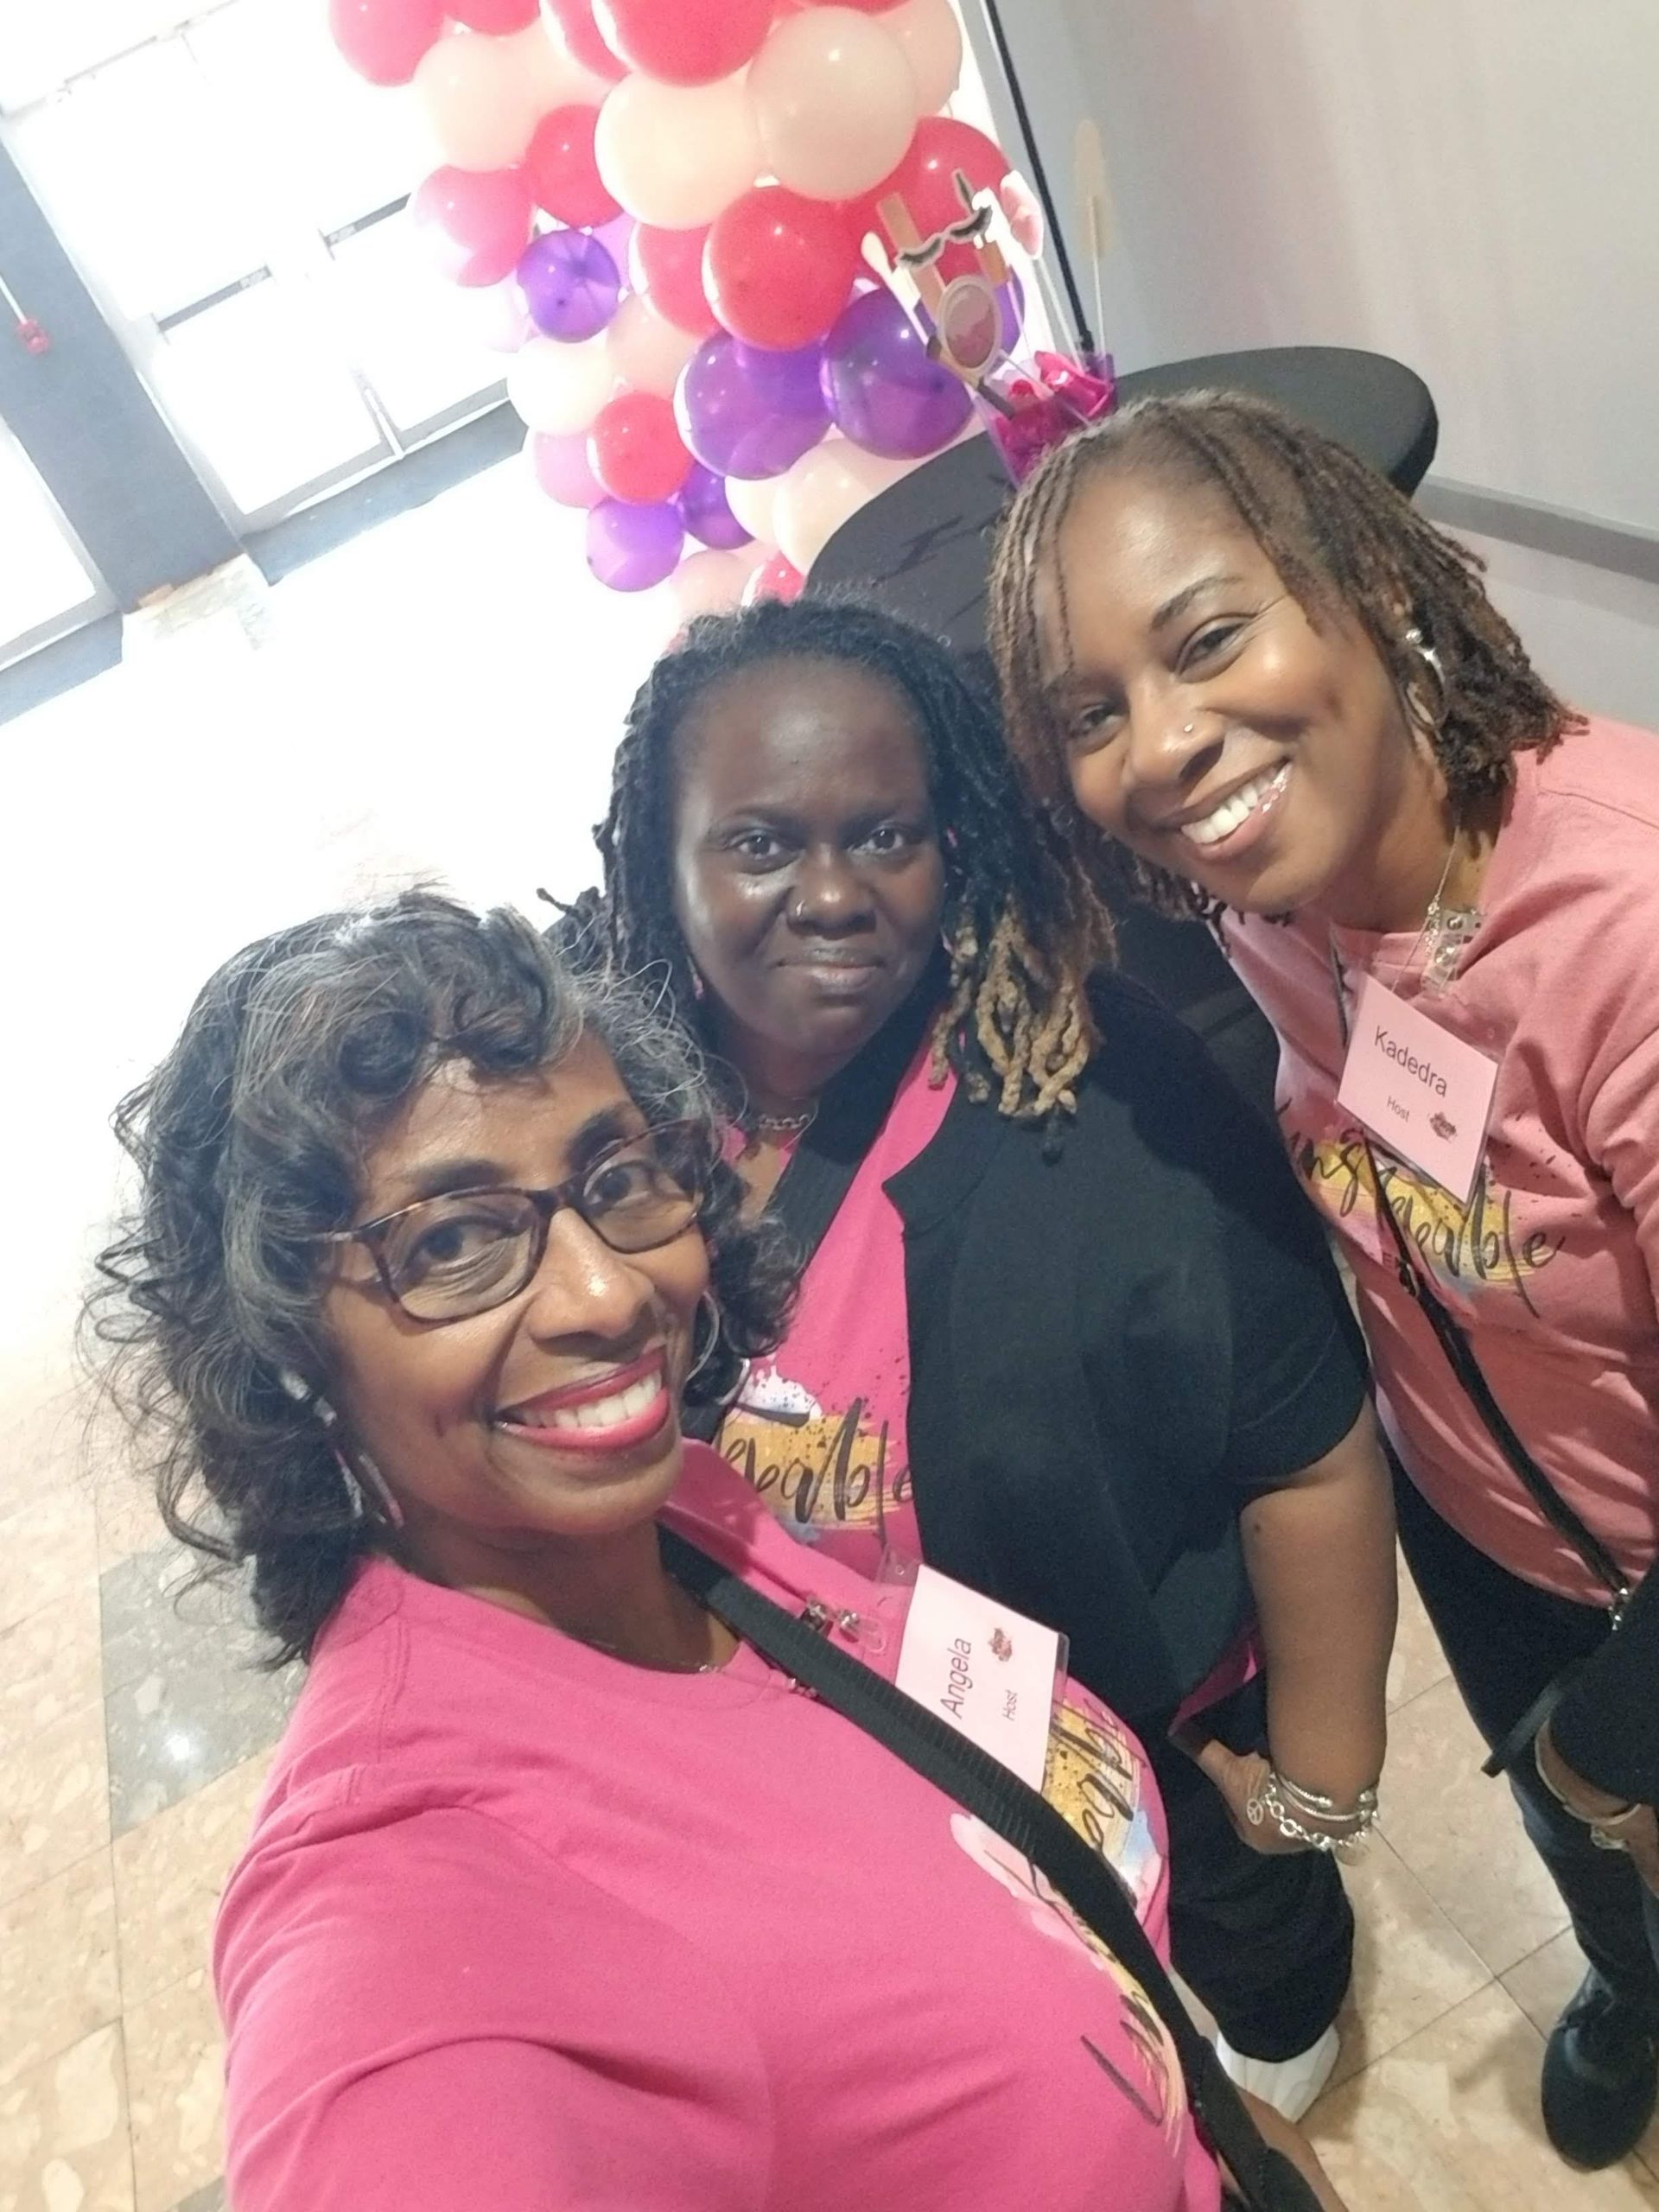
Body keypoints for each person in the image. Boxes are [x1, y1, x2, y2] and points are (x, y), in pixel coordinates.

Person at [88, 890, 1345, 2212]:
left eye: (617, 1178)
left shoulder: (686, 1510)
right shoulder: (414, 1908)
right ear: (286, 1358)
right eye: (451, 1242)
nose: (608, 1292)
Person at [563, 596, 1398, 2117]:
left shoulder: (1103, 1090)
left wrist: (1317, 1782)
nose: (831, 893)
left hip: (1153, 1744)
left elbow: (1310, 1446)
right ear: (659, 863)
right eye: (758, 845)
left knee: (1258, 2027)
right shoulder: (604, 1137)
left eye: (884, 834)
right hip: (871, 1770)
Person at [987, 386, 1659, 2169]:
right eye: (1095, 713)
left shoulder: (1624, 927)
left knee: (1597, 1787)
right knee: (1579, 1843)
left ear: (1366, 585)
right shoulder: (1275, 905)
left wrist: (1622, 1734)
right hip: (1488, 1526)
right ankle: (1633, 1976)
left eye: (1210, 639)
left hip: (1649, 1599)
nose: (1168, 745)